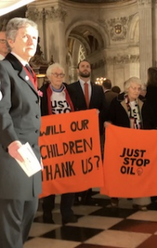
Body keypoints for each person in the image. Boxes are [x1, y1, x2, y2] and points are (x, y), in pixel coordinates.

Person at [0, 17, 41, 248]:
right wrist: (12, 142)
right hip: (11, 158)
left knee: (26, 217)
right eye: (26, 36)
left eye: (34, 37)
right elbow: (0, 111)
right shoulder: (3, 69)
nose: (31, 41)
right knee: (10, 227)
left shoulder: (27, 72)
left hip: (30, 160)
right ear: (11, 40)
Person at [103, 77, 157, 210]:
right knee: (120, 169)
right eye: (134, 88)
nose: (136, 91)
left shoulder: (145, 103)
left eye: (139, 88)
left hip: (140, 141)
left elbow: (152, 120)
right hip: (122, 141)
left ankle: (140, 201)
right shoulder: (117, 103)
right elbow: (109, 117)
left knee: (139, 171)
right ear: (127, 89)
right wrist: (108, 123)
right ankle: (115, 197)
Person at [39, 63, 78, 225]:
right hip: (49, 143)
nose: (59, 77)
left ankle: (67, 211)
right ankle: (47, 212)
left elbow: (79, 112)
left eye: (61, 75)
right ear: (49, 77)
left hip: (69, 142)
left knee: (69, 176)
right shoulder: (40, 94)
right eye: (56, 74)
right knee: (51, 177)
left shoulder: (71, 92)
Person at [68, 59, 105, 205]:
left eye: (87, 66)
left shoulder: (98, 89)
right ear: (78, 70)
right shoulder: (71, 88)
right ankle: (76, 194)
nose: (85, 68)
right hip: (76, 133)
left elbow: (104, 108)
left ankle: (88, 194)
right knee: (77, 163)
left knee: (90, 163)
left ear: (91, 69)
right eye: (82, 66)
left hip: (93, 132)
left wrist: (99, 115)